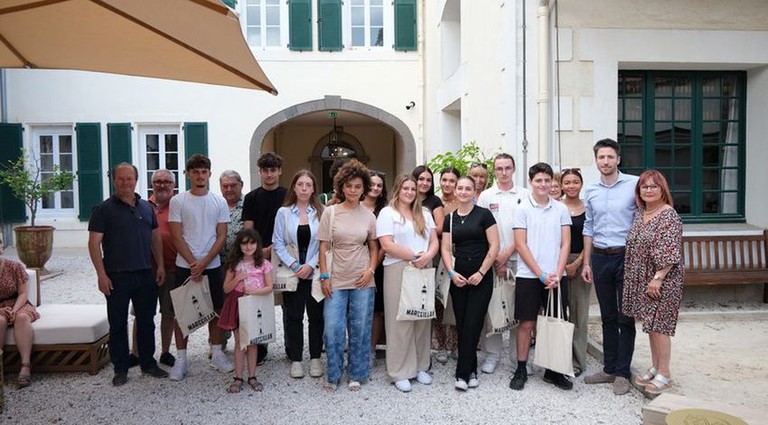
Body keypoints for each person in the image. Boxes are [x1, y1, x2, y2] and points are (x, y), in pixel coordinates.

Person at [88, 163, 169, 386]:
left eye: (130, 178)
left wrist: (160, 265)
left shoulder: (146, 207)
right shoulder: (103, 210)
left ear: (136, 180)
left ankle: (148, 363)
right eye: (121, 179)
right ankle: (120, 368)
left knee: (146, 321)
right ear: (114, 180)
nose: (126, 182)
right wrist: (101, 275)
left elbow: (155, 239)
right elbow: (94, 244)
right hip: (116, 277)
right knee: (118, 324)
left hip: (145, 274)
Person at [581, 138, 639, 395]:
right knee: (607, 316)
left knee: (626, 317)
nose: (605, 162)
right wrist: (586, 261)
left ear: (618, 159)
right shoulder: (591, 190)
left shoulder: (634, 184)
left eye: (610, 157)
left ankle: (623, 373)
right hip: (600, 258)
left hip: (626, 257)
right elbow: (589, 226)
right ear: (596, 161)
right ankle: (609, 367)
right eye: (601, 158)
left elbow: (641, 220)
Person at [508, 162, 572, 391]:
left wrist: (557, 272)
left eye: (547, 180)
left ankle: (553, 371)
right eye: (539, 181)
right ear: (531, 183)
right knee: (526, 323)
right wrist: (541, 274)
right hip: (529, 276)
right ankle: (521, 368)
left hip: (557, 275)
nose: (543, 185)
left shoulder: (561, 209)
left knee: (555, 322)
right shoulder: (522, 208)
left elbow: (565, 243)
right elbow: (520, 244)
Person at [168, 154, 232, 381]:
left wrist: (204, 262)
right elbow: (176, 236)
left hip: (212, 264)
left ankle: (216, 353)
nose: (200, 175)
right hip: (185, 265)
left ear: (209, 174)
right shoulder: (178, 201)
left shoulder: (219, 201)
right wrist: (193, 263)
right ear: (188, 174)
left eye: (204, 171)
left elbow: (221, 235)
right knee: (182, 313)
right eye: (195, 171)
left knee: (215, 310)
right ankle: (181, 359)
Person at [317, 159, 379, 392]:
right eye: (349, 186)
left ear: (364, 189)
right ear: (341, 187)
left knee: (360, 328)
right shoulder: (330, 213)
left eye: (358, 186)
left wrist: (370, 270)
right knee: (332, 328)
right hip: (335, 279)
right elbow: (323, 248)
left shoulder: (369, 216)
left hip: (363, 279)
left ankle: (357, 373)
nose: (353, 190)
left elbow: (374, 247)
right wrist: (324, 276)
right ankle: (333, 374)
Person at [623, 170, 684, 395]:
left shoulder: (668, 215)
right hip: (643, 279)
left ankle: (665, 374)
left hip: (662, 280)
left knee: (660, 326)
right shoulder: (641, 213)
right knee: (650, 325)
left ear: (662, 190)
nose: (649, 190)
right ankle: (656, 366)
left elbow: (670, 251)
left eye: (653, 187)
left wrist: (658, 278)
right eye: (644, 187)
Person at [377, 174, 439, 392]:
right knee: (400, 320)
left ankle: (422, 365)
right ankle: (400, 371)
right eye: (406, 189)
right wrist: (414, 256)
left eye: (413, 189)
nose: (410, 192)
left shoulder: (424, 213)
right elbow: (387, 244)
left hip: (423, 266)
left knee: (422, 318)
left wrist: (426, 257)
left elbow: (434, 241)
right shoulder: (387, 213)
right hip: (398, 267)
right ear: (398, 189)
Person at [440, 175, 499, 391]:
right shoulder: (451, 219)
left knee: (474, 322)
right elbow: (445, 249)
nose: (463, 192)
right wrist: (452, 273)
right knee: (463, 323)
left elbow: (494, 246)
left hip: (480, 276)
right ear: (455, 191)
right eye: (460, 188)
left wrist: (482, 272)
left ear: (475, 192)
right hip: (459, 277)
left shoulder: (484, 215)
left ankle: (462, 374)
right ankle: (472, 369)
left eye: (468, 188)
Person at [476, 153, 529, 375]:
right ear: (494, 171)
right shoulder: (486, 196)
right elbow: (482, 229)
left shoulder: (525, 195)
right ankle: (492, 355)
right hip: (494, 259)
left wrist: (507, 255)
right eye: (499, 169)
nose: (504, 172)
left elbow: (527, 229)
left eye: (508, 168)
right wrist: (497, 258)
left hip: (520, 260)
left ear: (514, 169)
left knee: (519, 309)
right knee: (494, 307)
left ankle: (518, 358)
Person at [273, 170, 325, 379]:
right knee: (293, 316)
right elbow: (277, 242)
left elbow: (325, 242)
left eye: (308, 185)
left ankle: (315, 358)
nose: (304, 188)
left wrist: (310, 265)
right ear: (294, 187)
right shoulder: (283, 213)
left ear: (313, 189)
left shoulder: (321, 211)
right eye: (300, 184)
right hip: (292, 272)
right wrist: (295, 265)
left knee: (316, 316)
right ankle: (296, 359)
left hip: (315, 272)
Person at [129, 169, 178, 368]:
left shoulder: (178, 205)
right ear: (152, 184)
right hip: (145, 268)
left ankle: (166, 352)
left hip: (173, 267)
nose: (162, 185)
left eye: (166, 181)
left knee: (169, 313)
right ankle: (135, 352)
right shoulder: (141, 206)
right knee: (141, 313)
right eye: (158, 181)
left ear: (173, 185)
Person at [242, 152, 287, 364]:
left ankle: (291, 347)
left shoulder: (288, 196)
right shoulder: (251, 198)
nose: (269, 174)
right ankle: (260, 348)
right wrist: (259, 251)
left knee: (288, 300)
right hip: (257, 257)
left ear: (279, 171)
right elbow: (248, 230)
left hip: (284, 256)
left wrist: (273, 249)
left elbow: (290, 229)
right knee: (258, 303)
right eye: (265, 170)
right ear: (260, 171)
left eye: (273, 170)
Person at [219, 228, 273, 393]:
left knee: (253, 341)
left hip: (255, 303)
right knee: (239, 342)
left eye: (252, 243)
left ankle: (252, 375)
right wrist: (238, 278)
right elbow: (226, 288)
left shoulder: (264, 264)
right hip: (237, 302)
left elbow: (269, 287)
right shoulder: (234, 264)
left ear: (257, 244)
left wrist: (252, 292)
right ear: (239, 246)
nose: (248, 247)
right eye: (244, 244)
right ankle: (238, 376)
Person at [0, 237, 39, 388]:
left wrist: (13, 310)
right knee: (0, 320)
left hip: (18, 303)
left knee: (22, 318)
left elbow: (23, 294)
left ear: (2, 248)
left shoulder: (14, 266)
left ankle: (25, 365)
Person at [560, 168, 589, 377]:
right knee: (558, 313)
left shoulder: (588, 209)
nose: (571, 185)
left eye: (575, 182)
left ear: (581, 184)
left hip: (581, 262)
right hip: (557, 263)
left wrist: (577, 263)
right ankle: (559, 359)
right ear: (561, 185)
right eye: (567, 182)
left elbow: (591, 237)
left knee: (579, 315)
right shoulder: (555, 208)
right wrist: (561, 265)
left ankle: (578, 362)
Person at [433, 167, 460, 364]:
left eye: (452, 180)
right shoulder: (434, 202)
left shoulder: (464, 202)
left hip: (459, 254)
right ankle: (441, 344)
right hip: (437, 255)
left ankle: (456, 344)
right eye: (445, 180)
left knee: (456, 300)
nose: (448, 184)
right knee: (438, 300)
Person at [362, 170, 387, 365]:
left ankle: (371, 348)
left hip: (378, 265)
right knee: (355, 308)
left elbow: (383, 244)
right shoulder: (355, 206)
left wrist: (373, 266)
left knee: (377, 309)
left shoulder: (385, 210)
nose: (375, 188)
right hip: (354, 263)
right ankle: (357, 346)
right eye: (372, 184)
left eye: (379, 185)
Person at [219, 170, 245, 262]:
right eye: (225, 186)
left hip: (242, 262)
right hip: (217, 263)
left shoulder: (250, 204)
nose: (229, 189)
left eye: (233, 185)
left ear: (241, 184)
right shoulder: (216, 206)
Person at [412, 165, 444, 237]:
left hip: (429, 242)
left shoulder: (435, 201)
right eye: (421, 179)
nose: (425, 183)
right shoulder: (407, 200)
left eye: (429, 180)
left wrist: (420, 232)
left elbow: (440, 228)